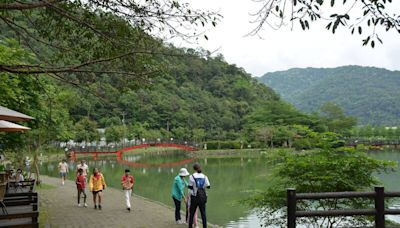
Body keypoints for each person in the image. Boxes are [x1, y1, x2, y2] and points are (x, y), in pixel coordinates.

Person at [188, 163, 210, 228]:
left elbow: (190, 187)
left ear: (194, 169)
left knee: (192, 213)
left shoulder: (191, 176)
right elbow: (208, 186)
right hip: (202, 197)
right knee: (203, 214)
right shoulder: (205, 176)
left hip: (194, 197)